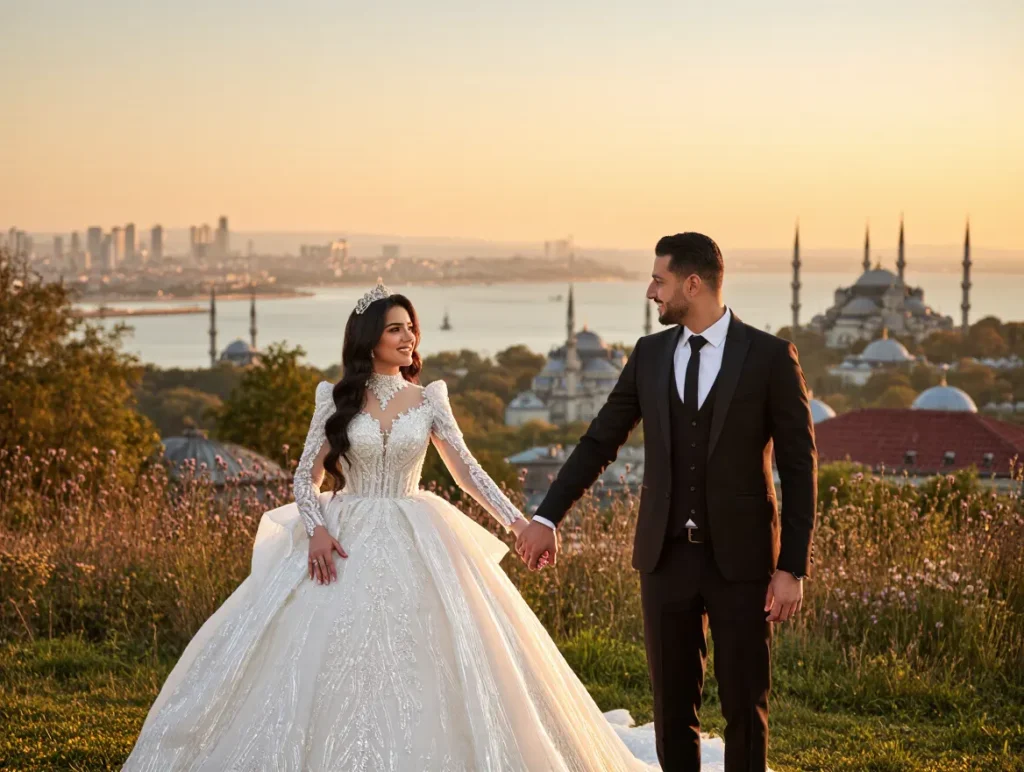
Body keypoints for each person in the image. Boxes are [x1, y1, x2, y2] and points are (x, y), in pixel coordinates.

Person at [122, 280, 651, 771]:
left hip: (415, 528)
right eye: (395, 327)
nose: (409, 336)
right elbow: (304, 478)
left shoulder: (429, 398)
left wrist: (517, 522)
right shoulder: (335, 398)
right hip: (344, 527)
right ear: (369, 338)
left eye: (410, 327)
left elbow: (466, 470)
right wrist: (317, 529)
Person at [517, 233, 817, 772]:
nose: (651, 291)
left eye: (660, 280)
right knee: (672, 707)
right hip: (664, 557)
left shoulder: (770, 357)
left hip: (744, 562)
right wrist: (546, 515)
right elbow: (599, 441)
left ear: (693, 284)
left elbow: (799, 468)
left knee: (745, 707)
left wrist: (791, 566)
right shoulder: (650, 354)